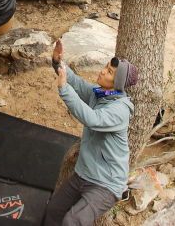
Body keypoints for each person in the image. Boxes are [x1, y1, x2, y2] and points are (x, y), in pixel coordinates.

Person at [44, 39, 136, 226]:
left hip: (106, 184)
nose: (102, 71)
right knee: (54, 210)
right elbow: (77, 82)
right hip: (84, 174)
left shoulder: (120, 110)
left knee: (73, 221)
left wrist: (64, 89)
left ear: (116, 83)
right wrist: (58, 62)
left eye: (109, 72)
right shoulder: (100, 93)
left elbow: (92, 119)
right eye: (105, 67)